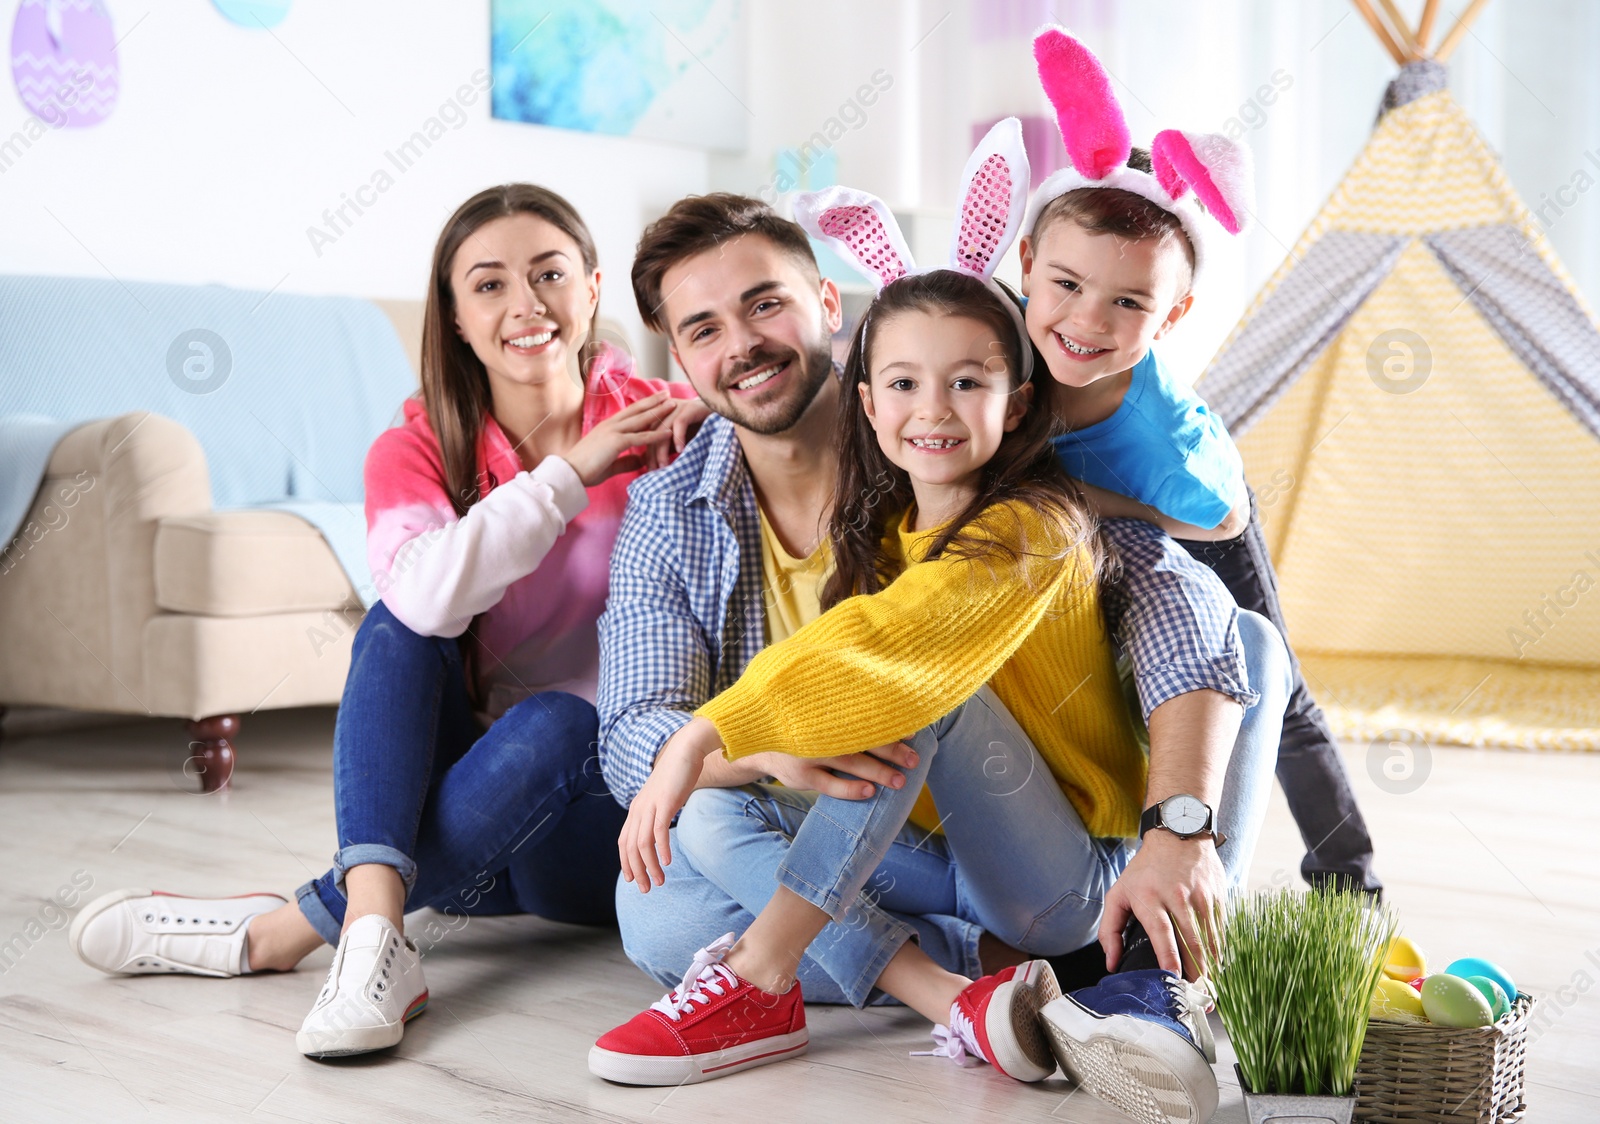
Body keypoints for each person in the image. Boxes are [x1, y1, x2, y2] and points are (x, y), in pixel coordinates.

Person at [591, 160, 1288, 1119]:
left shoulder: (1018, 495)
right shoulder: (685, 508)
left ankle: (771, 975)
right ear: (673, 353)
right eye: (704, 328)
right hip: (902, 831)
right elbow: (631, 732)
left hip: (1044, 841)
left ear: (830, 307)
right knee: (659, 900)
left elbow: (904, 641)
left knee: (936, 686)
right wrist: (755, 751)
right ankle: (984, 985)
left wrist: (1178, 827)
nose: (743, 343)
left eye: (765, 305)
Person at [69, 184, 706, 1059]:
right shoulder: (412, 449)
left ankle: (291, 931)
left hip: (599, 836)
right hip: (465, 838)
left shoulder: (669, 422)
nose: (525, 304)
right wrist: (571, 473)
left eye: (549, 273)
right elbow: (424, 601)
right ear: (453, 318)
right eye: (488, 285)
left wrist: (725, 425)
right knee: (394, 623)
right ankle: (373, 935)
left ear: (593, 288)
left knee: (563, 720)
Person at [1018, 25, 1380, 895]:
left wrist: (1092, 501)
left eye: (1129, 302)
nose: (1087, 322)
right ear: (1026, 266)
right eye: (1066, 285)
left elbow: (1226, 518)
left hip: (1191, 508)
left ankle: (1349, 873)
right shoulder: (1003, 335)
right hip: (1096, 512)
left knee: (1274, 686)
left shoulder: (1162, 437)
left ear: (1171, 317)